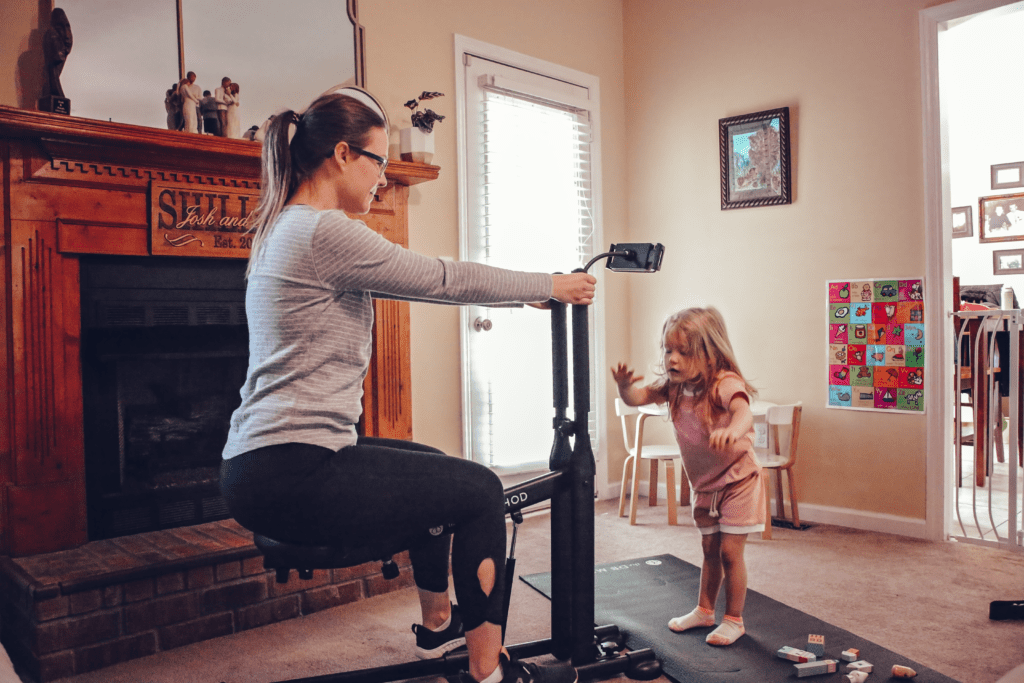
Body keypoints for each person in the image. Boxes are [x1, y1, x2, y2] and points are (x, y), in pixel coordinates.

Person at [219, 86, 591, 683]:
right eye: (379, 162)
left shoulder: (280, 229)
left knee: (433, 467)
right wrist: (549, 282)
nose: (384, 179)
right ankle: (487, 672)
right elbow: (440, 278)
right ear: (342, 155)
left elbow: (431, 281)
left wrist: (528, 293)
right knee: (477, 491)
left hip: (259, 463)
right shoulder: (323, 232)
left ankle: (440, 619)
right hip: (292, 469)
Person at [611, 307, 762, 647]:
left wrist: (734, 432)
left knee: (729, 552)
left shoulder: (724, 383)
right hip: (705, 484)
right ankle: (705, 610)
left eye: (683, 352)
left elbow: (743, 412)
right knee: (709, 548)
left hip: (738, 479)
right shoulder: (674, 387)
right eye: (668, 350)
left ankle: (734, 620)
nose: (672, 359)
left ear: (710, 355)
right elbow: (638, 398)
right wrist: (624, 387)